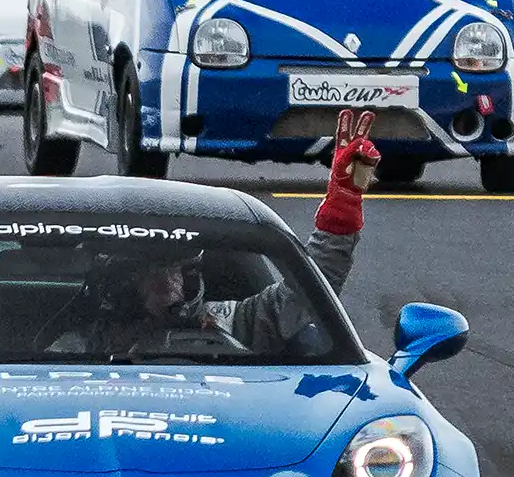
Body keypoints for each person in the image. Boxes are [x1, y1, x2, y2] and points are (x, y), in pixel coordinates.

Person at [53, 113, 381, 358]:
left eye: (178, 272)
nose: (171, 286)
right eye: (152, 274)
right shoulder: (76, 349)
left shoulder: (233, 322)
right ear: (120, 283)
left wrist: (341, 209)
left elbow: (304, 296)